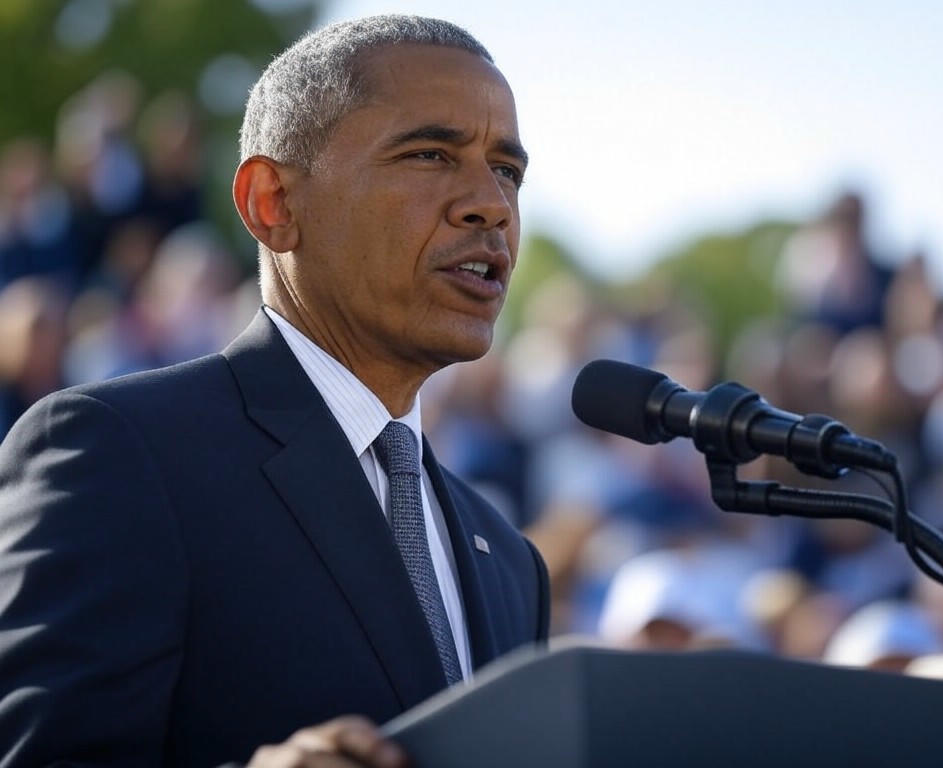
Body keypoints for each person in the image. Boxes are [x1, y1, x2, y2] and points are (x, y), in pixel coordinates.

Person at [0, 15, 549, 767]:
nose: (492, 204)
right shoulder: (117, 456)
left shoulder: (510, 558)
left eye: (508, 170)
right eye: (430, 154)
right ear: (273, 204)